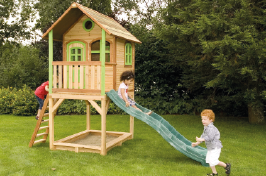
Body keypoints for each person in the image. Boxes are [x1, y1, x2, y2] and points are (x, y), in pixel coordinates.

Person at [191, 109, 231, 176]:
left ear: (211, 120)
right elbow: (203, 136)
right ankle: (214, 173)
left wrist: (201, 140)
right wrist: (197, 143)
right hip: (210, 147)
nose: (203, 121)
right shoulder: (206, 126)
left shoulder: (211, 128)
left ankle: (226, 166)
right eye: (202, 119)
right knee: (209, 160)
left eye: (205, 119)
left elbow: (210, 137)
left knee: (213, 161)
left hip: (215, 147)